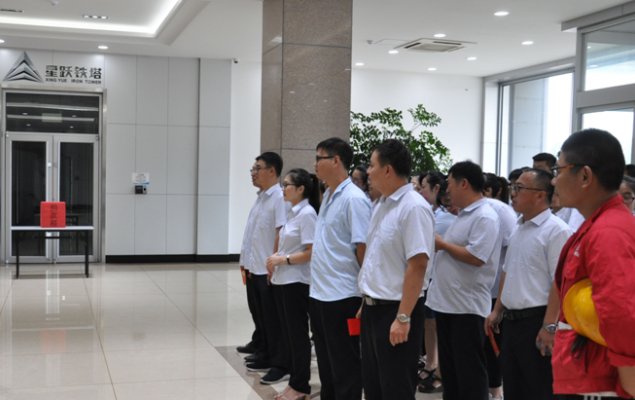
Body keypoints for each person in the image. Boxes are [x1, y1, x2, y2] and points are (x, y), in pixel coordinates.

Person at [550, 128, 635, 399]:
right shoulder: (598, 224)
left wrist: (629, 375)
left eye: (558, 170)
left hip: (601, 382)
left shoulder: (608, 231)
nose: (553, 180)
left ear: (585, 176)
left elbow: (620, 310)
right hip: (585, 374)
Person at [485, 168, 572, 400]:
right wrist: (497, 310)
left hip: (537, 321)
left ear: (540, 195)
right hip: (511, 323)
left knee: (538, 388)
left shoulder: (557, 231)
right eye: (513, 187)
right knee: (513, 386)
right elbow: (508, 271)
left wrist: (549, 326)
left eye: (519, 188)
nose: (513, 193)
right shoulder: (518, 226)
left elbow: (559, 282)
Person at [358, 139, 434, 399]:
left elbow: (418, 264)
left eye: (372, 165)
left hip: (397, 310)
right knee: (374, 385)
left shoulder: (413, 207)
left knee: (395, 388)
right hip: (373, 309)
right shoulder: (381, 204)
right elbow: (378, 257)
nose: (368, 171)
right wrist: (366, 299)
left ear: (388, 169)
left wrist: (403, 317)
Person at [426, 160, 502, 400]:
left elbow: (477, 257)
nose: (447, 190)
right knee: (451, 373)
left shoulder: (485, 216)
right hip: (448, 304)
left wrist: (443, 245)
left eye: (449, 184)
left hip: (466, 307)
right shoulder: (464, 214)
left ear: (464, 184)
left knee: (469, 373)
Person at [310, 137, 371, 400]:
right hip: (320, 294)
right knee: (326, 365)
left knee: (345, 366)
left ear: (336, 161)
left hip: (343, 296)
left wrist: (365, 293)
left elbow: (363, 249)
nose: (315, 164)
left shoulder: (354, 199)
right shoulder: (329, 195)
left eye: (319, 158)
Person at [267, 168, 320, 400]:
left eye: (287, 184)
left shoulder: (307, 214)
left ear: (300, 189)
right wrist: (276, 258)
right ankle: (294, 382)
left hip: (296, 282)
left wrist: (283, 259)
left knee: (298, 336)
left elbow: (310, 252)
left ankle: (300, 385)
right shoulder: (292, 212)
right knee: (289, 334)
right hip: (283, 279)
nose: (283, 189)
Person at [239, 152, 290, 384]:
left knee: (272, 320)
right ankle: (264, 352)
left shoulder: (278, 197)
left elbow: (281, 232)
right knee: (260, 315)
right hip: (254, 267)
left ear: (272, 171)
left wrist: (274, 264)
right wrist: (245, 262)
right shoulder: (261, 198)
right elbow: (253, 233)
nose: (253, 173)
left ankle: (278, 362)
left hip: (267, 269)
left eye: (257, 168)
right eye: (253, 168)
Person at [416, 170, 456, 393]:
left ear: (436, 189)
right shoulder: (433, 213)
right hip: (431, 277)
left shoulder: (446, 217)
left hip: (441, 279)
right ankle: (431, 363)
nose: (420, 191)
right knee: (429, 323)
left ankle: (439, 369)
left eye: (423, 187)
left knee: (437, 324)